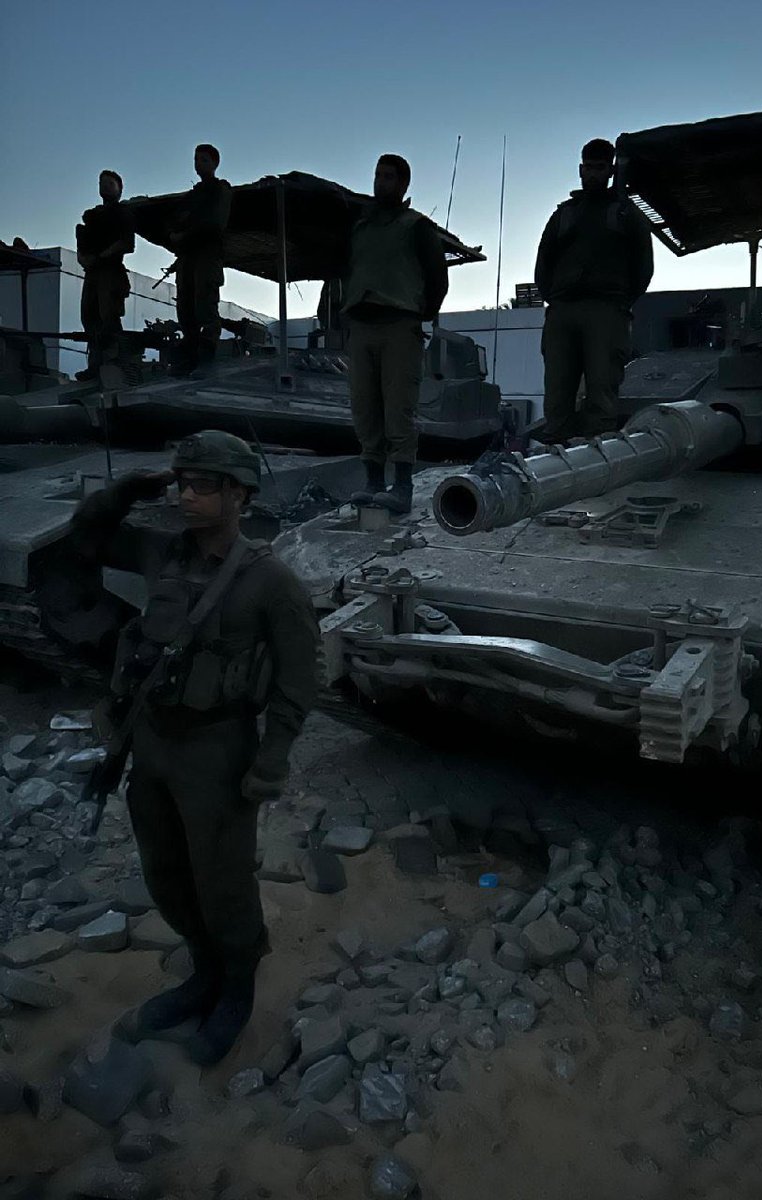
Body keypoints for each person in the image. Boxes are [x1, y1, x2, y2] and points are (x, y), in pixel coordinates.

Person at [69, 430, 320, 1065]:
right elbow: (83, 544)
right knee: (166, 872)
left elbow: (298, 680)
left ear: (239, 494)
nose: (187, 496)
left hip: (217, 750)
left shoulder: (270, 582)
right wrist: (127, 490)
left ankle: (236, 986)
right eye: (183, 483)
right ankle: (203, 971)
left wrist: (272, 760)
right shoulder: (162, 557)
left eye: (203, 485)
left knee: (223, 880)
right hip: (150, 742)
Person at [341, 153, 448, 513]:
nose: (380, 182)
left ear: (403, 184)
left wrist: (421, 313)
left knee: (398, 406)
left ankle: (402, 485)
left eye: (389, 177)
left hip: (399, 325)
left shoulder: (417, 226)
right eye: (377, 175)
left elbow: (438, 278)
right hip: (362, 325)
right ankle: (372, 479)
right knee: (365, 406)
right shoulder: (361, 227)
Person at [534, 138, 654, 445]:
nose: (592, 174)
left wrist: (619, 301)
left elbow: (644, 266)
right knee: (557, 391)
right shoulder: (564, 214)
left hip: (606, 310)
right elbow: (543, 260)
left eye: (599, 168)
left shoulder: (626, 214)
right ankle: (553, 463)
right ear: (579, 169)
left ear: (610, 171)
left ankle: (597, 465)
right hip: (563, 310)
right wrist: (555, 298)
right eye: (587, 168)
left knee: (601, 390)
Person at [168, 145, 232, 376]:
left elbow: (214, 223)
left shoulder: (220, 189)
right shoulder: (192, 196)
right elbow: (175, 223)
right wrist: (182, 232)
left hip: (207, 255)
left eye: (204, 159)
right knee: (185, 305)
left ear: (215, 163)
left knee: (205, 304)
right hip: (188, 256)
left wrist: (188, 230)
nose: (199, 163)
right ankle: (190, 352)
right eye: (196, 159)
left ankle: (207, 353)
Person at [75, 170, 135, 381]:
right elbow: (82, 245)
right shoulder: (92, 216)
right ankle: (96, 367)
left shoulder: (123, 213)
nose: (105, 186)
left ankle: (115, 366)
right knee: (89, 318)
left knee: (108, 319)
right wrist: (85, 258)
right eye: (102, 182)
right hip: (93, 272)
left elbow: (127, 243)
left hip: (111, 272)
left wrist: (100, 257)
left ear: (119, 188)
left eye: (110, 183)